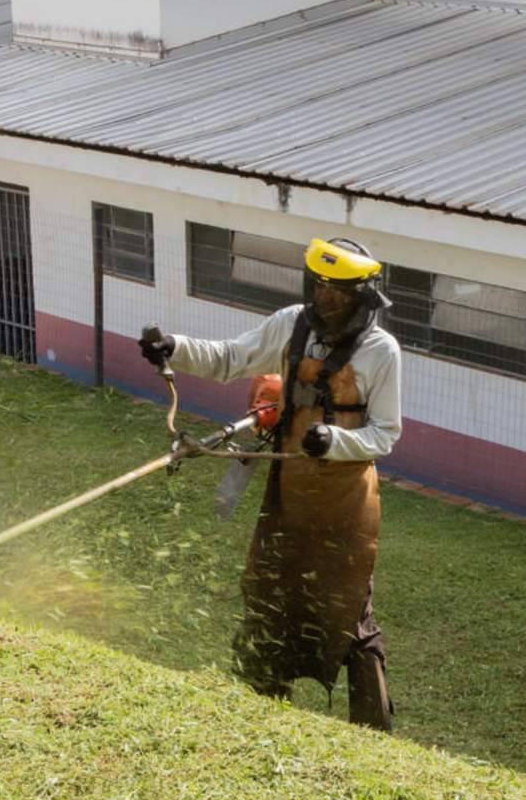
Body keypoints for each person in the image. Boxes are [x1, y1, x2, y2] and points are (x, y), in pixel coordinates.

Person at [139, 237, 403, 730]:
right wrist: (174, 347)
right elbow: (230, 357)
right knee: (267, 590)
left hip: (345, 502)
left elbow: (385, 434)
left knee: (349, 611)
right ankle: (256, 708)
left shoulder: (380, 351)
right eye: (319, 287)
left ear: (362, 296)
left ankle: (373, 731)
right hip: (288, 490)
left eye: (338, 292)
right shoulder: (291, 324)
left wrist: (335, 441)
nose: (325, 299)